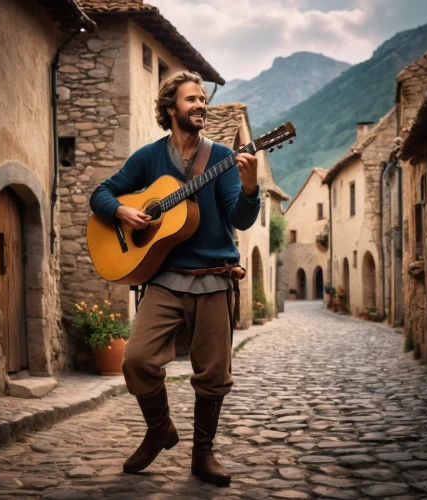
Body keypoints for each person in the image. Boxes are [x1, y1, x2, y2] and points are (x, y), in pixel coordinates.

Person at [89, 71, 260, 484]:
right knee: (137, 360)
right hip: (164, 279)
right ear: (170, 108)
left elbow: (240, 216)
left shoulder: (220, 156)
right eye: (192, 99)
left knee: (213, 374)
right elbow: (101, 194)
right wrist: (122, 211)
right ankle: (159, 427)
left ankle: (203, 453)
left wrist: (251, 186)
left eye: (204, 99)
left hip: (213, 277)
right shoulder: (148, 157)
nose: (201, 105)